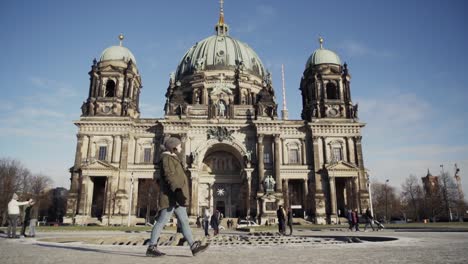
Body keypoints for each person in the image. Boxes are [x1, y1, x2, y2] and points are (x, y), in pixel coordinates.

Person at [146, 137, 209, 257]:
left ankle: (194, 246)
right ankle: (151, 246)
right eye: (179, 145)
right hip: (171, 196)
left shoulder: (173, 158)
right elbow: (170, 176)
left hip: (175, 196)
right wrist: (178, 191)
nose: (181, 147)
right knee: (162, 221)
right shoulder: (167, 158)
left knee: (184, 221)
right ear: (173, 147)